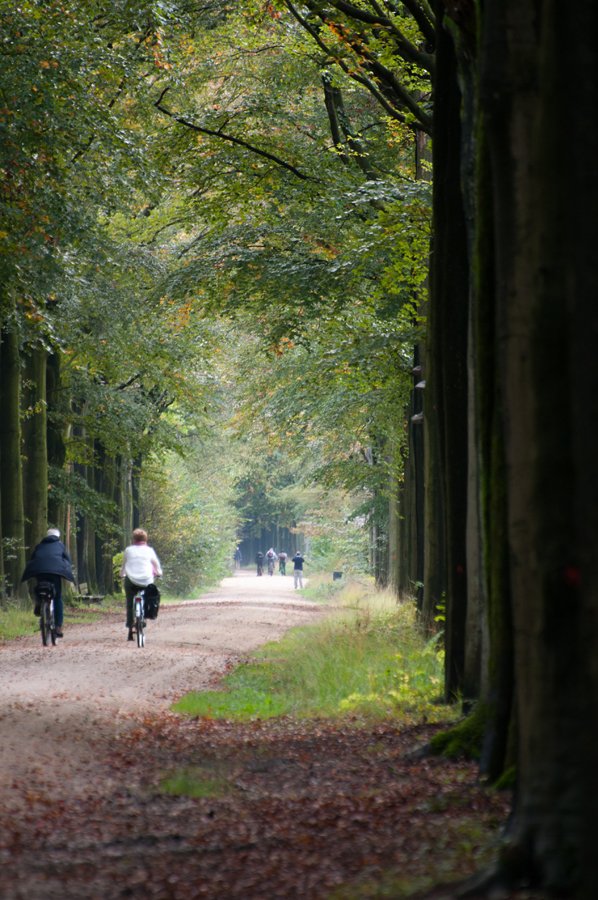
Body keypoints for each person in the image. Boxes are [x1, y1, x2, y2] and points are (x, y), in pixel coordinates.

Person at [21, 527, 75, 638]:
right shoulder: (61, 546)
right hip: (55, 573)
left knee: (40, 587)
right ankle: (58, 626)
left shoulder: (39, 546)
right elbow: (67, 561)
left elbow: (33, 559)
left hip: (40, 571)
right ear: (58, 537)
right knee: (58, 597)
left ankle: (39, 603)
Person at [120, 528, 162, 642]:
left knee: (130, 603)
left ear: (133, 539)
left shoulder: (128, 550)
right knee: (147, 598)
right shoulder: (149, 550)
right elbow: (156, 564)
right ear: (145, 539)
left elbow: (124, 565)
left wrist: (122, 574)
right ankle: (143, 618)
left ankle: (130, 627)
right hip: (146, 580)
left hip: (131, 580)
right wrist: (159, 573)